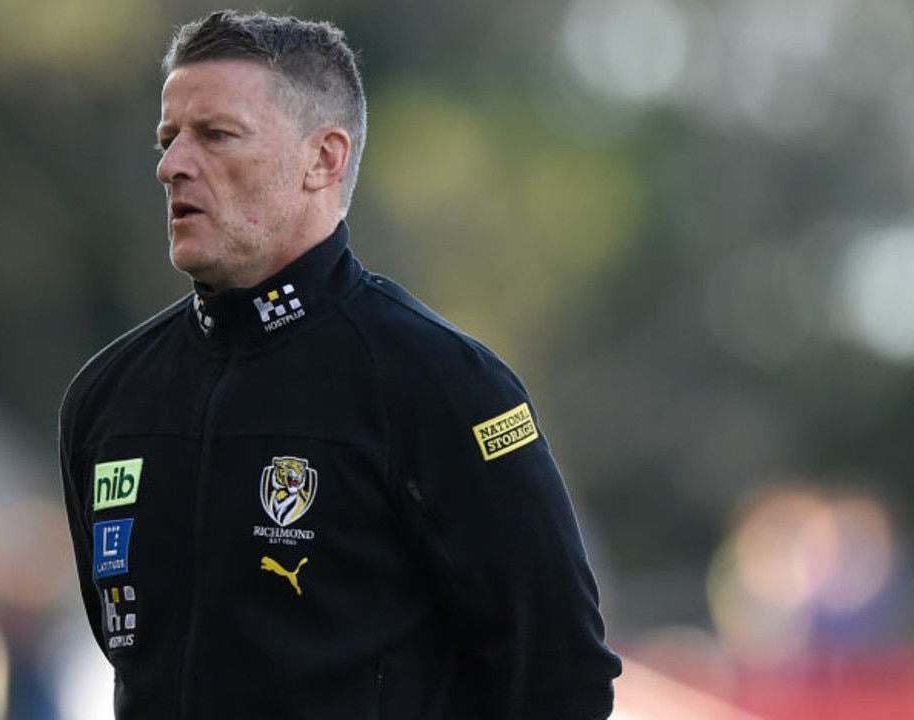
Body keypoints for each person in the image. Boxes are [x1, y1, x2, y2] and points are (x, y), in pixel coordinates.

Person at [59, 10, 621, 719]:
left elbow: (561, 677)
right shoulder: (107, 399)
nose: (172, 165)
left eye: (216, 135)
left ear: (323, 159)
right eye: (168, 138)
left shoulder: (443, 384)